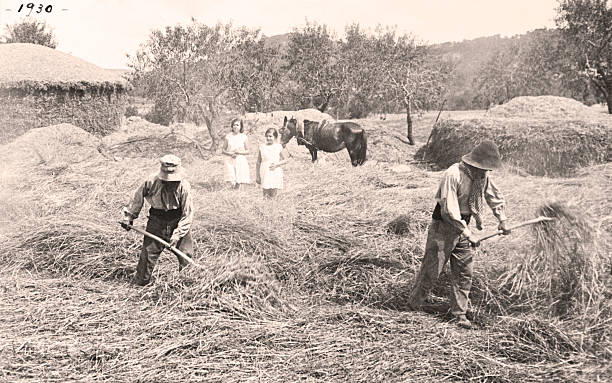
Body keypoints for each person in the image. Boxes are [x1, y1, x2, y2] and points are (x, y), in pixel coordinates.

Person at [408, 140, 511, 329]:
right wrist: (466, 232)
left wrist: (502, 219)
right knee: (432, 270)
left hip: (464, 227)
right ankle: (415, 305)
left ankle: (459, 315)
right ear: (474, 163)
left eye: (488, 169)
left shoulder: (482, 176)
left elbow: (494, 196)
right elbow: (449, 210)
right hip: (444, 227)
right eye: (484, 168)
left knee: (464, 272)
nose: (486, 172)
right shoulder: (453, 174)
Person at [121, 154, 195, 286]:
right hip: (156, 221)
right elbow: (137, 198)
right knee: (147, 256)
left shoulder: (184, 186)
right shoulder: (151, 181)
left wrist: (177, 234)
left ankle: (187, 284)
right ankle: (140, 284)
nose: (169, 182)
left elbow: (187, 214)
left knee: (186, 255)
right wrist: (129, 217)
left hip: (177, 220)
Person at [256, 128, 290, 198]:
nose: (268, 138)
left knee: (273, 193)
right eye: (267, 136)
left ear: (275, 137)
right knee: (265, 193)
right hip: (264, 171)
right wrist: (257, 176)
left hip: (275, 171)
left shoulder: (278, 147)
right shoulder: (262, 147)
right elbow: (258, 162)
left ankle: (273, 207)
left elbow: (286, 160)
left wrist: (277, 164)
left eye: (270, 136)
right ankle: (265, 207)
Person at [222, 118, 250, 189]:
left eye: (237, 125)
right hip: (229, 159)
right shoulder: (228, 136)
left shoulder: (244, 137)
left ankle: (238, 192)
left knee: (239, 179)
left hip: (240, 159)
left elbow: (248, 151)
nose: (235, 126)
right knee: (231, 179)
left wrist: (239, 152)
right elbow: (223, 150)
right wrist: (230, 154)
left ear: (241, 127)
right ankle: (233, 190)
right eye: (234, 125)